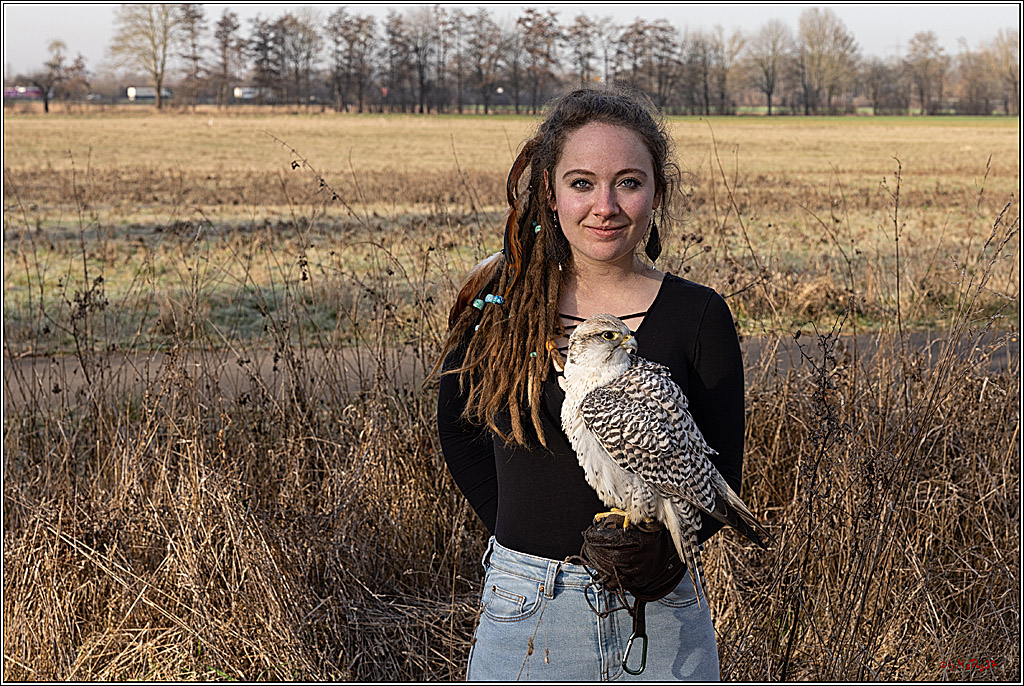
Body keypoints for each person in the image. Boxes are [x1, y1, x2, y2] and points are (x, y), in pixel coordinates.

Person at [436, 87, 745, 681]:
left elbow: (718, 473)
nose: (604, 205)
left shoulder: (698, 316)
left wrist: (666, 552)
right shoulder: (499, 302)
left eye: (628, 182)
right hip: (528, 612)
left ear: (657, 193)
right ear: (549, 194)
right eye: (582, 183)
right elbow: (457, 431)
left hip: (661, 617)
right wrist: (522, 542)